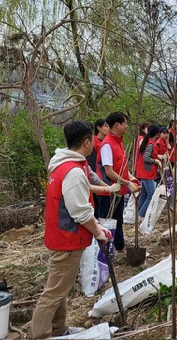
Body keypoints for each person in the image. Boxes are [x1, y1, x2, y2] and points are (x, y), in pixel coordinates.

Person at [29, 121, 120, 339]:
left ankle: (59, 330)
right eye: (92, 142)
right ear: (87, 142)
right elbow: (80, 212)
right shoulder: (72, 172)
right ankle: (38, 335)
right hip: (66, 241)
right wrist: (98, 231)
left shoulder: (64, 164)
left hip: (60, 237)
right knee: (53, 293)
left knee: (60, 289)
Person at [96, 112, 138, 253]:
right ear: (117, 125)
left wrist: (131, 178)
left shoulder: (119, 142)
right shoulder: (107, 144)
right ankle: (102, 252)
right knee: (106, 221)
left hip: (119, 190)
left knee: (118, 220)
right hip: (109, 191)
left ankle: (119, 247)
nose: (127, 126)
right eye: (125, 123)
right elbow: (109, 172)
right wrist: (127, 183)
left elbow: (122, 167)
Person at [136, 124, 162, 220]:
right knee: (151, 194)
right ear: (157, 134)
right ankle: (141, 215)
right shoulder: (150, 144)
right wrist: (156, 161)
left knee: (144, 195)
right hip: (147, 173)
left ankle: (138, 215)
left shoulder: (148, 142)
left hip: (145, 172)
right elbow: (146, 158)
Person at [86, 118, 109, 213]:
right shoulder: (94, 144)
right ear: (99, 128)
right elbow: (91, 163)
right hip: (96, 178)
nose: (108, 129)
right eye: (106, 126)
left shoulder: (106, 143)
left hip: (101, 179)